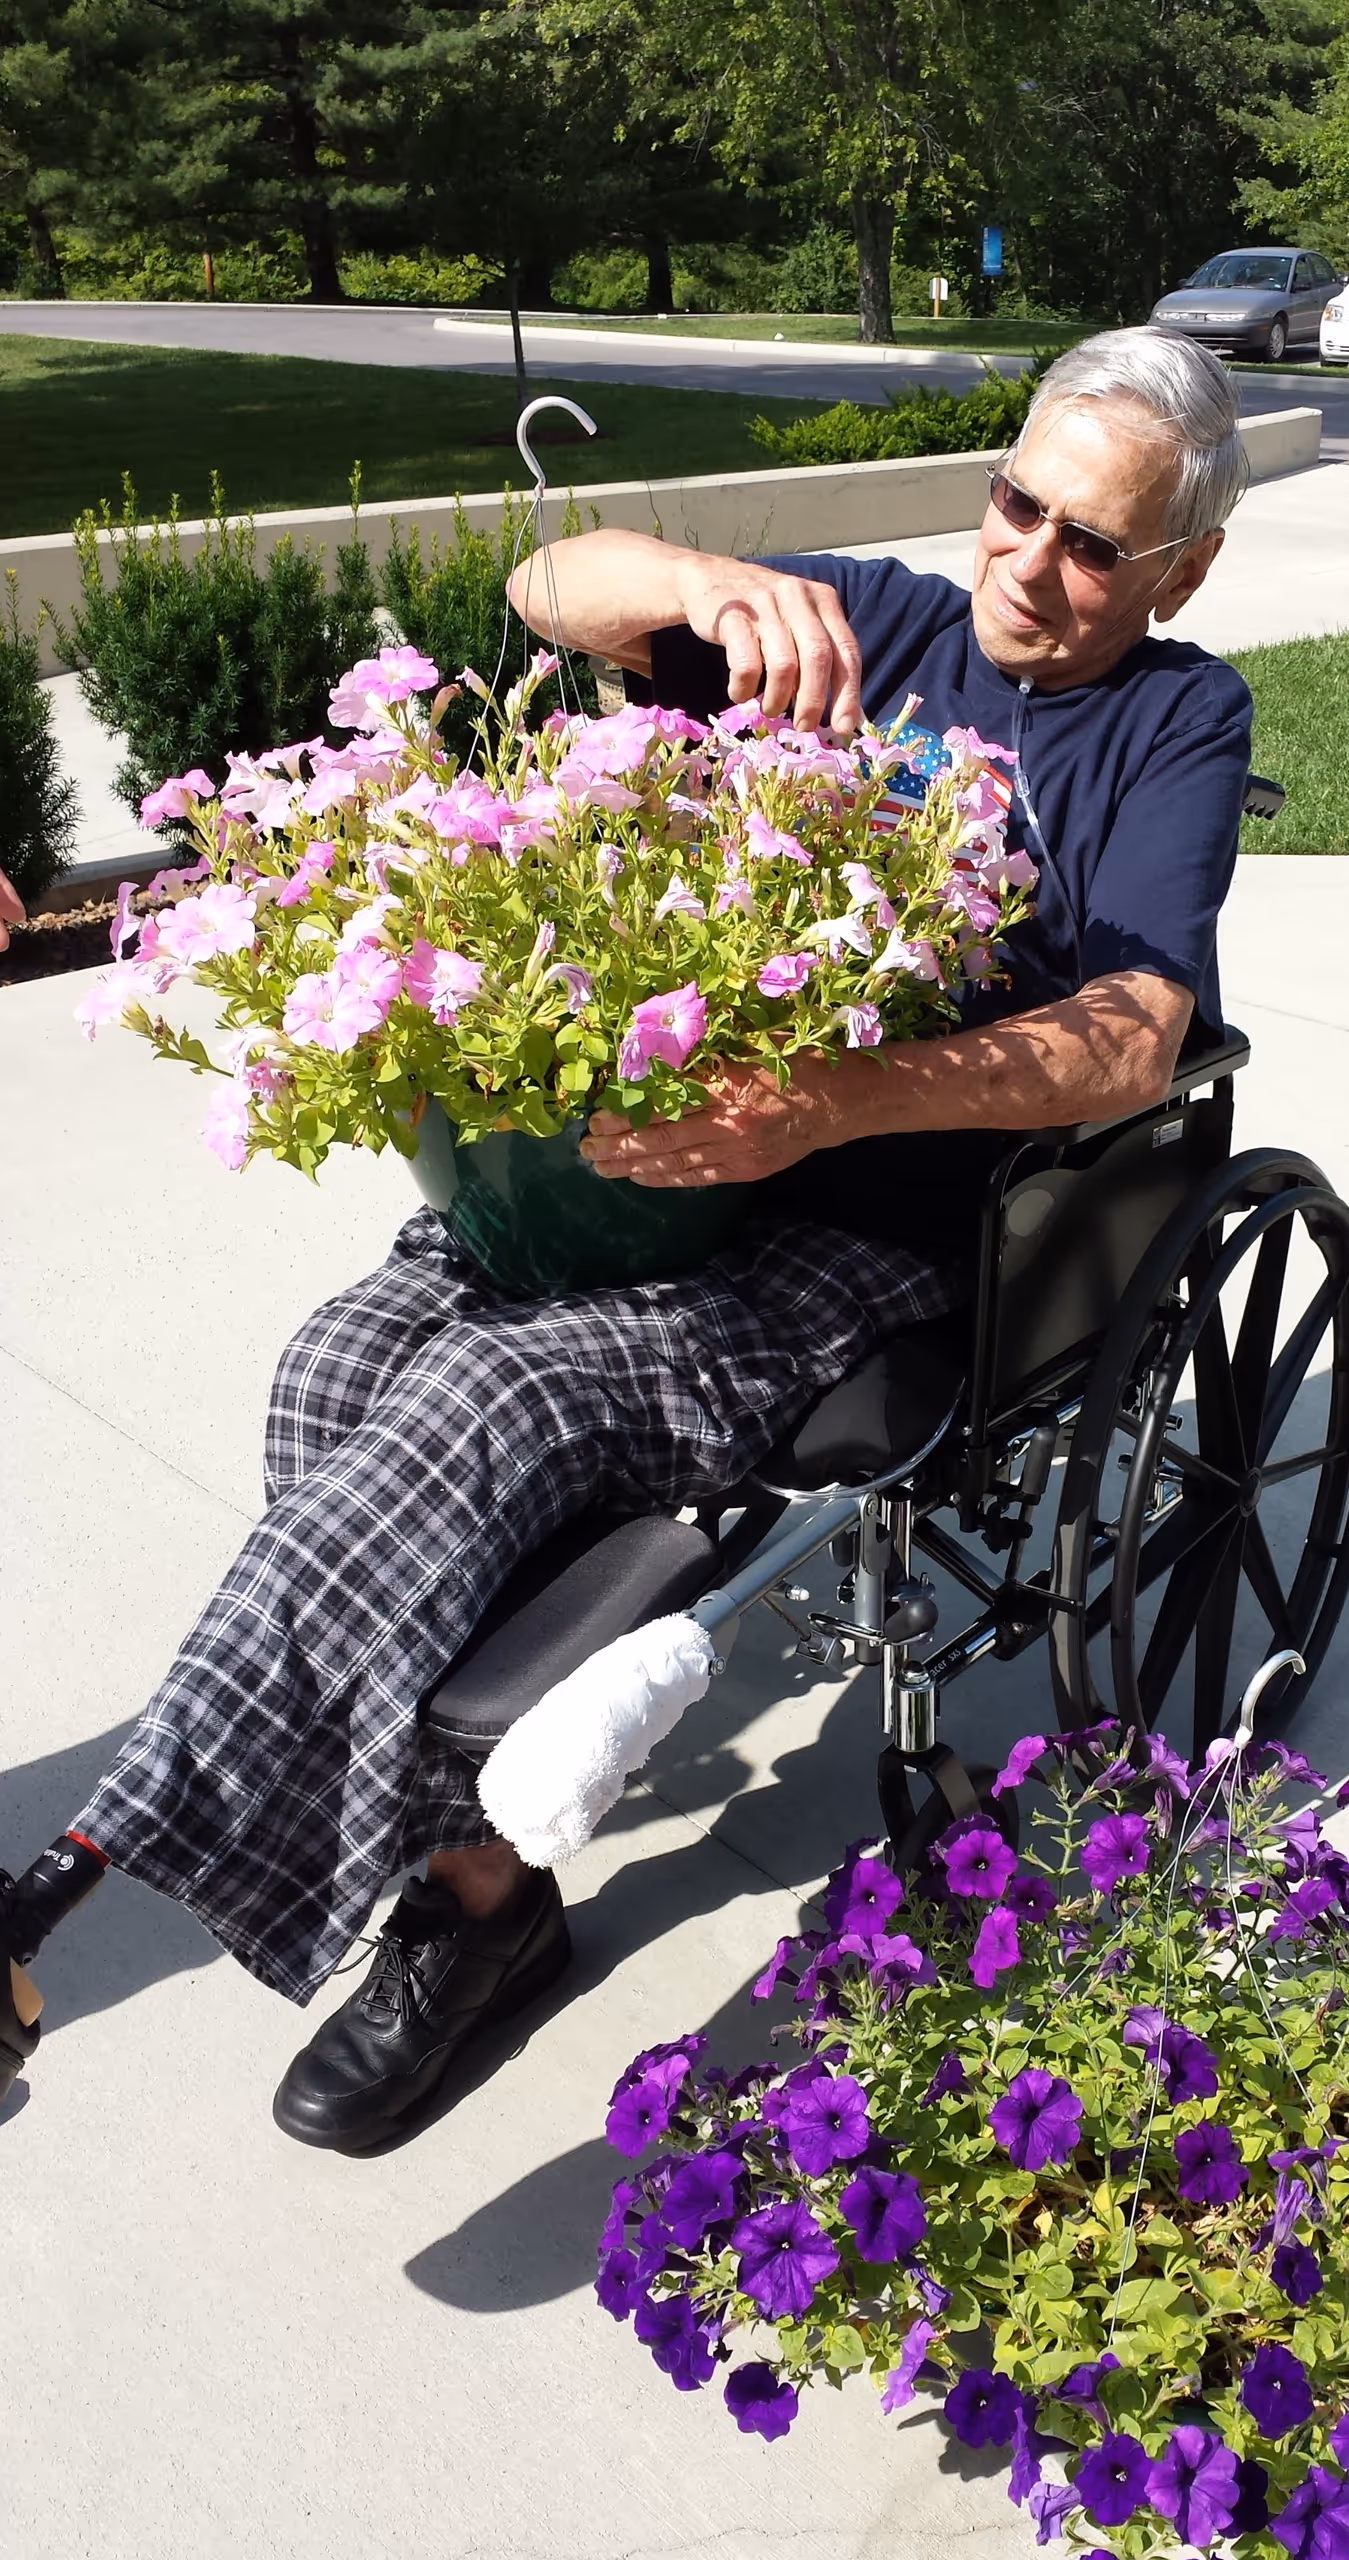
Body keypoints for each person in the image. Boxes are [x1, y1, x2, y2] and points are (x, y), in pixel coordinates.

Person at [0, 325, 1257, 2147]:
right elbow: (543, 587)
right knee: (333, 1368)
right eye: (1017, 505)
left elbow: (1137, 1032)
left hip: (871, 1235)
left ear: (1184, 567)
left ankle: (94, 1885)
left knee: (485, 1413)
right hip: (640, 1174)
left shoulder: (1173, 721)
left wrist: (828, 1102)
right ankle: (485, 1883)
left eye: (1094, 546)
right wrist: (698, 580)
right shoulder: (874, 624)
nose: (1031, 564)